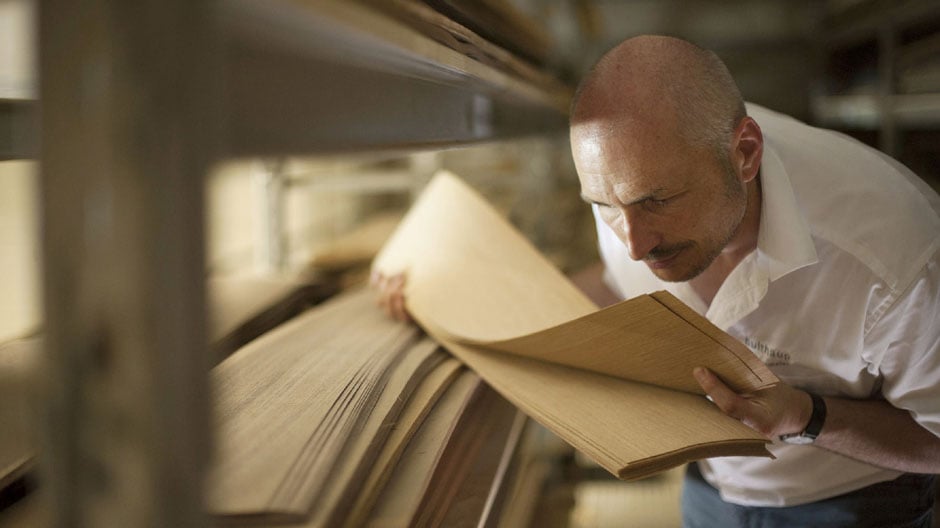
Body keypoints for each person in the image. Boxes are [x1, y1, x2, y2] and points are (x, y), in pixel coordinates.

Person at [374, 35, 940, 527]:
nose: (635, 244)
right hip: (707, 495)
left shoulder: (897, 261)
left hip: (850, 508)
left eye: (657, 201)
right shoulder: (632, 188)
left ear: (744, 153)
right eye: (605, 207)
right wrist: (451, 294)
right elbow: (619, 279)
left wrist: (803, 416)